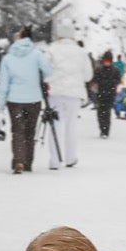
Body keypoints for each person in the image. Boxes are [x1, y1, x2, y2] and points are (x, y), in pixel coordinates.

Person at [0, 26, 52, 175]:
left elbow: (3, 83)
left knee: (17, 131)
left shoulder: (8, 58)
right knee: (29, 131)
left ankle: (18, 160)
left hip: (14, 100)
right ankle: (28, 162)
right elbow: (48, 70)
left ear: (18, 38)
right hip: (33, 98)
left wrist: (0, 106)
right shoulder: (37, 54)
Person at [45, 20, 89, 170]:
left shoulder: (52, 49)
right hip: (74, 94)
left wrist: (52, 80)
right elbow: (88, 75)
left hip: (55, 93)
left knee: (55, 125)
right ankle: (70, 158)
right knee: (71, 126)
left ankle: (54, 160)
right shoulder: (81, 52)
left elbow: (45, 71)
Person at [91, 51, 120, 138]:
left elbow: (118, 80)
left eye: (109, 60)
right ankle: (102, 128)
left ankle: (105, 131)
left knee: (107, 112)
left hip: (110, 94)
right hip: (101, 94)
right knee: (100, 113)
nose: (107, 62)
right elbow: (94, 80)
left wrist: (111, 84)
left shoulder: (115, 70)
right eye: (106, 60)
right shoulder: (99, 70)